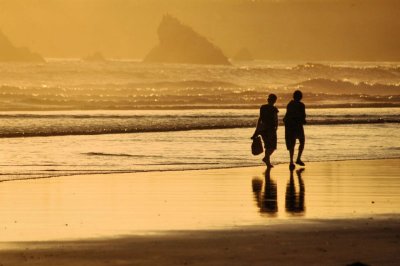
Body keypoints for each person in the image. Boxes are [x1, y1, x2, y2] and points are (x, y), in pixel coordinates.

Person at [252, 94, 279, 168]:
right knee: (272, 146)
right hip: (270, 129)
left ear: (268, 100)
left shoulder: (263, 107)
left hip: (263, 129)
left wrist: (257, 130)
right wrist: (276, 126)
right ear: (274, 100)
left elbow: (260, 119)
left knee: (267, 146)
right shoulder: (274, 109)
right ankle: (266, 158)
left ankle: (267, 161)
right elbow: (275, 119)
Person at [284, 90, 306, 170]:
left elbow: (287, 115)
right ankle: (298, 159)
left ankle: (291, 161)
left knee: (292, 144)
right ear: (300, 97)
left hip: (290, 126)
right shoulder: (301, 105)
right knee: (302, 142)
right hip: (297, 126)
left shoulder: (290, 104)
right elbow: (303, 117)